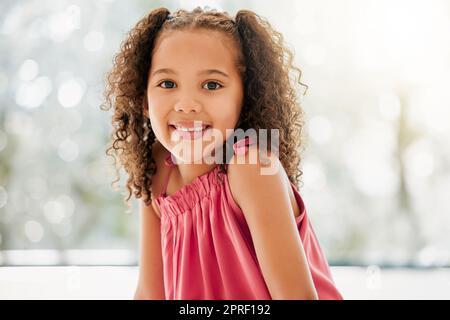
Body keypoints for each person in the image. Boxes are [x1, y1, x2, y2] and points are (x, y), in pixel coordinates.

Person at [102, 6, 343, 300]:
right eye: (168, 83)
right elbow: (150, 293)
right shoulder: (157, 169)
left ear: (246, 96)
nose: (187, 103)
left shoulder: (252, 166)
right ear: (144, 99)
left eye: (211, 85)